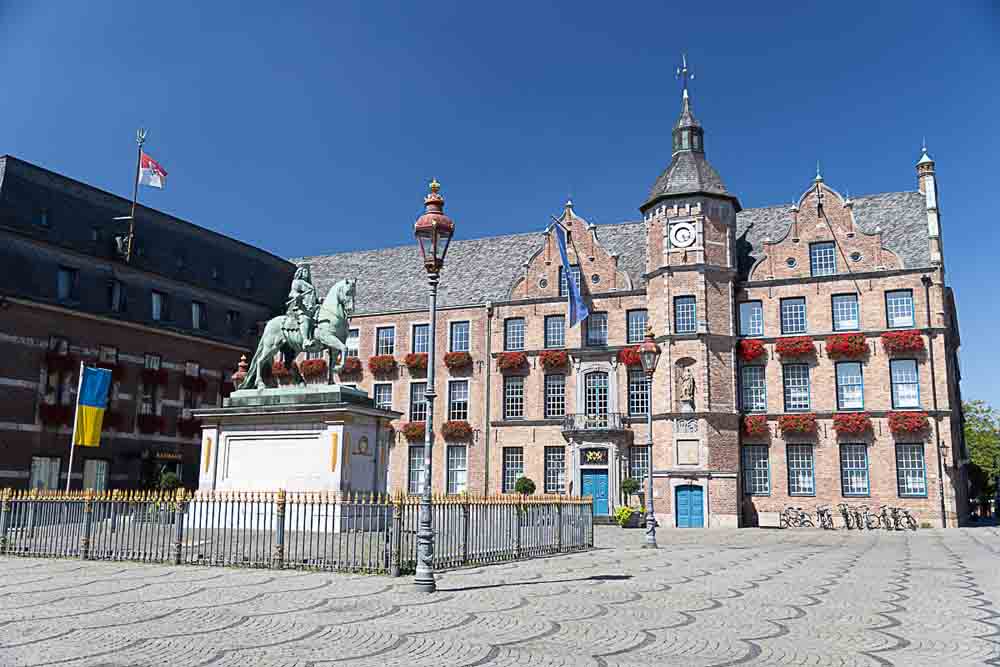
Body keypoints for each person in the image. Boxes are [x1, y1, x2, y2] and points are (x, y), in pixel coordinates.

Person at [287, 265, 317, 348]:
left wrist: (319, 300)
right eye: (305, 271)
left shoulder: (310, 285)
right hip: (302, 307)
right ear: (300, 272)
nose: (307, 273)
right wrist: (296, 295)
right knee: (305, 318)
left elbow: (313, 298)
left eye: (308, 272)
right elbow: (291, 293)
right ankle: (305, 340)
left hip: (312, 307)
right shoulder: (297, 282)